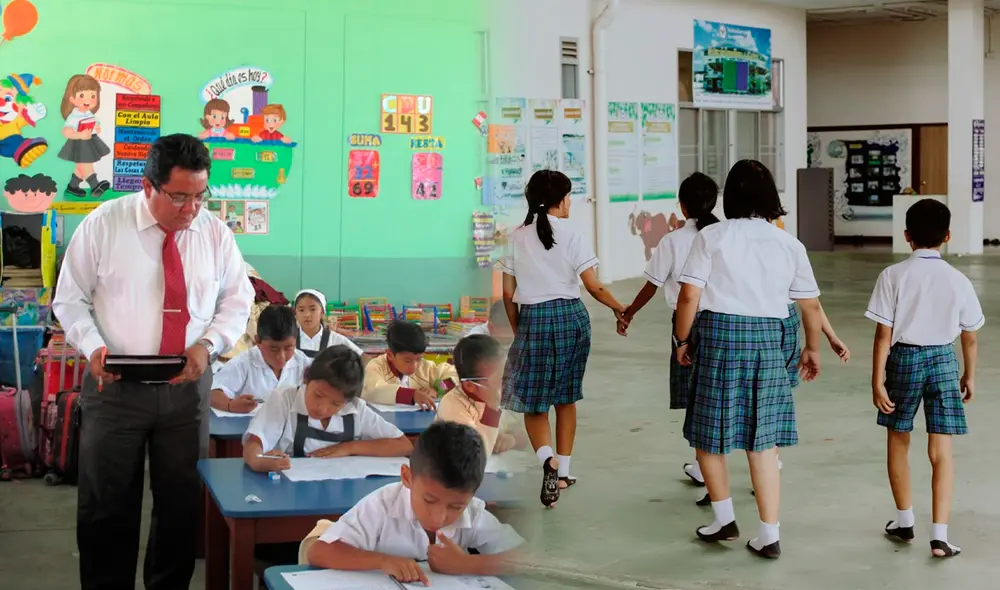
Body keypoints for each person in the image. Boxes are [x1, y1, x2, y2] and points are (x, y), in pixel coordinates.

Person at [52, 133, 254, 589]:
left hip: (186, 391)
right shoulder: (105, 224)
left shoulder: (215, 233)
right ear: (148, 186)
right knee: (107, 508)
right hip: (114, 388)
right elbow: (69, 300)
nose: (191, 209)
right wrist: (91, 346)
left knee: (181, 506)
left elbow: (238, 301)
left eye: (200, 196)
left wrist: (208, 345)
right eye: (179, 197)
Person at [672, 159, 824, 559]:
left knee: (709, 435)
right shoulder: (788, 243)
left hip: (719, 336)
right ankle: (769, 534)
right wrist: (812, 348)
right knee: (763, 441)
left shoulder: (713, 237)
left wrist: (682, 339)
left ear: (731, 196)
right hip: (769, 341)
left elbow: (689, 296)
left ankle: (724, 520)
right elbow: (809, 306)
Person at [499, 169, 626, 508]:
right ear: (560, 200)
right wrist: (619, 308)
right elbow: (593, 285)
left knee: (534, 402)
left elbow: (507, 294)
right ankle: (565, 471)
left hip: (534, 319)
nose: (571, 203)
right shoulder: (573, 235)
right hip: (571, 318)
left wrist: (520, 331)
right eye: (569, 197)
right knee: (566, 397)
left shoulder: (515, 238)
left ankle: (547, 460)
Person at [866, 199, 983, 558]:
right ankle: (940, 536)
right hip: (943, 361)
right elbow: (970, 335)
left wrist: (877, 381)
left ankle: (904, 522)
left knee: (898, 440)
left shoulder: (893, 275)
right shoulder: (958, 279)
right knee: (941, 451)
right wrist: (969, 375)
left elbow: (883, 337)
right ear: (947, 236)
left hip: (903, 359)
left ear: (906, 236)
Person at [304, 422, 524, 583]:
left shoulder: (474, 513)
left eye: (456, 507)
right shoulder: (382, 505)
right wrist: (382, 561)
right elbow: (319, 552)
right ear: (407, 477)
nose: (439, 517)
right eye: (429, 500)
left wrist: (467, 564)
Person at [616, 172, 721, 487]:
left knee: (697, 396)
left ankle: (705, 466)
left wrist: (628, 313)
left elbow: (652, 285)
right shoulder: (724, 234)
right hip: (725, 321)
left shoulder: (673, 241)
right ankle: (766, 457)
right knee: (725, 392)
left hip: (687, 323)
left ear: (683, 206)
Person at [243, 345, 412, 473]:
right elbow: (254, 446)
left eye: (336, 404)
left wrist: (350, 447)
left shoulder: (356, 409)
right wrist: (261, 462)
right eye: (318, 395)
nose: (323, 408)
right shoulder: (284, 400)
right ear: (307, 378)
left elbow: (403, 445)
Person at [210, 305, 311, 414]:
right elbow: (213, 393)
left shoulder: (302, 362)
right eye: (273, 348)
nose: (281, 356)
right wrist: (230, 405)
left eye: (288, 348)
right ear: (257, 341)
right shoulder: (243, 362)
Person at [437, 334, 519, 457]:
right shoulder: (453, 406)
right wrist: (491, 410)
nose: (508, 383)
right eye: (502, 378)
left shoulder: (505, 395)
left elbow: (527, 430)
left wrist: (512, 439)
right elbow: (474, 453)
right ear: (470, 385)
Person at [362, 320, 457, 411]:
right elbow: (373, 390)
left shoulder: (425, 367)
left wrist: (437, 389)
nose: (415, 366)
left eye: (419, 359)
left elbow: (454, 374)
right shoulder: (376, 366)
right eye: (408, 361)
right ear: (390, 355)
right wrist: (412, 395)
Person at [293, 288, 364, 358]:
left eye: (313, 309)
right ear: (295, 313)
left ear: (322, 312)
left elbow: (364, 358)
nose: (307, 314)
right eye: (301, 310)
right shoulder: (289, 338)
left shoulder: (335, 339)